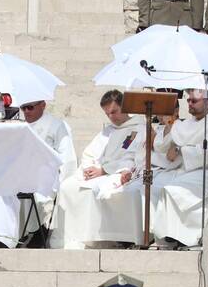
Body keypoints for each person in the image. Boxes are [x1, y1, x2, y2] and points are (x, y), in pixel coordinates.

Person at [53, 90, 175, 248]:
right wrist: (89, 167)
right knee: (68, 186)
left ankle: (106, 238)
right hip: (99, 171)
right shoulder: (107, 131)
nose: (111, 117)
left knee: (100, 190)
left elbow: (131, 156)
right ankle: (74, 236)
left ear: (124, 108)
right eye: (107, 113)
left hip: (117, 172)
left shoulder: (137, 128)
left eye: (114, 112)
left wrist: (104, 170)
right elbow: (90, 153)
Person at [0, 99, 76, 248]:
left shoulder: (56, 125)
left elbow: (66, 158)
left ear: (43, 105)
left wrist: (58, 181)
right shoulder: (20, 127)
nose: (26, 112)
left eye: (30, 108)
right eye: (23, 108)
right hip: (20, 174)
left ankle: (24, 235)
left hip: (44, 178)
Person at [149, 88, 208, 248]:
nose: (189, 104)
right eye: (188, 100)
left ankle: (187, 236)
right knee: (161, 187)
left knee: (173, 190)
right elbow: (162, 146)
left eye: (194, 101)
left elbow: (207, 153)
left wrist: (179, 150)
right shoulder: (189, 123)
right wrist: (169, 125)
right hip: (190, 170)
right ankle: (172, 234)